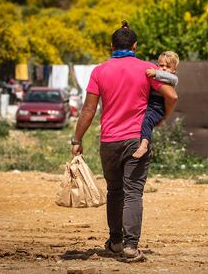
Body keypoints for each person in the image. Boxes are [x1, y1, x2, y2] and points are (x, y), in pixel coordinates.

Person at [70, 21, 178, 262]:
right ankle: (130, 247)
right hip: (135, 139)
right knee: (133, 193)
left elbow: (88, 109)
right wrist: (162, 118)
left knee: (115, 191)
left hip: (109, 141)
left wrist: (77, 139)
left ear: (111, 46)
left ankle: (116, 241)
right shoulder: (147, 68)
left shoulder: (99, 71)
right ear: (135, 46)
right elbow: (171, 94)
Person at [133, 51, 179, 158]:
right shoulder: (157, 77)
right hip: (150, 103)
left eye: (168, 66)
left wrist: (156, 73)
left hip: (157, 106)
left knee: (147, 120)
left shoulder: (172, 78)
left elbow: (171, 78)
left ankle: (144, 144)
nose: (163, 68)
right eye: (161, 65)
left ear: (174, 70)